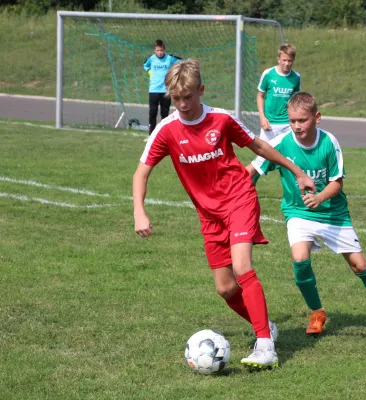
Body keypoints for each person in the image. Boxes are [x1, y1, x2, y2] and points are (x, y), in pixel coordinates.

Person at [133, 60, 316, 369]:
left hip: (239, 198)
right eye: (176, 99)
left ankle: (266, 347)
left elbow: (258, 145)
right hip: (209, 215)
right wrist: (139, 211)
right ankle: (265, 326)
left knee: (243, 266)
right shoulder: (166, 130)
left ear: (200, 91)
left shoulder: (221, 120)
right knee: (226, 287)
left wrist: (296, 170)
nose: (182, 104)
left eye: (188, 97)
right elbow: (141, 172)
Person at [246, 92, 366, 337]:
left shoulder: (328, 142)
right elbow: (253, 170)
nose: (296, 126)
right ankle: (317, 312)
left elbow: (337, 183)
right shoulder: (281, 143)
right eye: (292, 120)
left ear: (317, 118)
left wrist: (319, 198)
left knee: (359, 265)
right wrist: (234, 194)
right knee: (300, 258)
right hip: (298, 212)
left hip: (333, 213)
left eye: (302, 120)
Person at [257, 43, 301, 142]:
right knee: (263, 156)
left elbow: (297, 100)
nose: (286, 63)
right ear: (278, 59)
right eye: (284, 60)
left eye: (289, 60)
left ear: (293, 61)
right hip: (269, 123)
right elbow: (260, 96)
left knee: (287, 156)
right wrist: (262, 117)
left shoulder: (296, 77)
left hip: (287, 124)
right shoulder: (268, 74)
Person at [143, 39, 181, 136]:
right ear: (154, 50)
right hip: (154, 90)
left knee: (165, 114)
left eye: (161, 50)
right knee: (153, 113)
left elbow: (181, 62)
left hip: (166, 90)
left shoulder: (169, 58)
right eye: (157, 50)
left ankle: (164, 134)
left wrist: (174, 74)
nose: (159, 53)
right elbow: (145, 65)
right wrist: (149, 72)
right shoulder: (151, 59)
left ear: (164, 50)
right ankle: (151, 134)